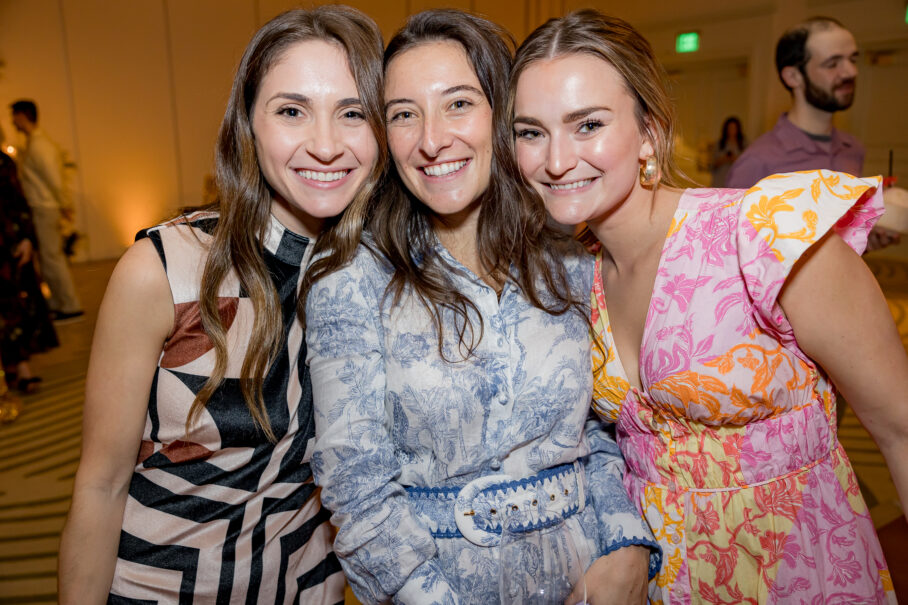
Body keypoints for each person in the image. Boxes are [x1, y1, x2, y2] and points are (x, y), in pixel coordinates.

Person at [511, 9, 906, 603]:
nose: (556, 160)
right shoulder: (572, 275)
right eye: (530, 132)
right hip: (665, 584)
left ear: (649, 130)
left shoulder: (763, 235)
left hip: (804, 576)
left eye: (587, 124)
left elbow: (900, 430)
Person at [306, 10, 660, 605]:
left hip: (591, 578)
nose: (431, 139)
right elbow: (357, 494)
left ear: (504, 114)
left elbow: (600, 430)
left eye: (459, 104)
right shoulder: (352, 280)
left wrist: (625, 547)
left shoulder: (568, 257)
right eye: (403, 115)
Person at [57, 6, 385, 603]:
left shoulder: (379, 273)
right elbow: (100, 486)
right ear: (247, 125)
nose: (326, 144)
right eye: (291, 111)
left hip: (309, 588)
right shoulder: (166, 269)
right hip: (159, 587)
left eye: (352, 113)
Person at [10, 99, 84, 321]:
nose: (12, 121)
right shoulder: (34, 143)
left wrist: (64, 206)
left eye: (14, 115)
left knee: (52, 258)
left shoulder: (40, 146)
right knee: (48, 258)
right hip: (41, 208)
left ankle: (70, 306)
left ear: (23, 116)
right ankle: (59, 303)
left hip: (45, 208)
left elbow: (54, 180)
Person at [0, 142, 58, 394]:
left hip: (6, 245)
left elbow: (17, 199)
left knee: (13, 306)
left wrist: (26, 237)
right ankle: (10, 368)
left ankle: (21, 367)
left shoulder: (2, 162)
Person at [709, 116, 746, 187]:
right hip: (720, 179)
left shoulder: (743, 144)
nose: (732, 130)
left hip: (737, 180)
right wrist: (723, 159)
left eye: (734, 128)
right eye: (730, 128)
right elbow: (711, 165)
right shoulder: (719, 144)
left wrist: (735, 159)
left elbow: (747, 163)